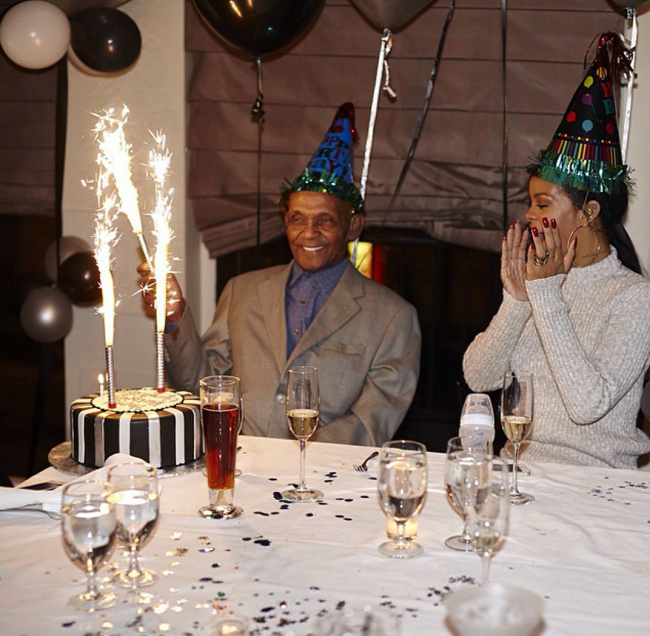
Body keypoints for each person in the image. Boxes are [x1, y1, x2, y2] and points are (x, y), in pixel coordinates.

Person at [140, 103, 421, 446]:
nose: (309, 233)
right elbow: (202, 384)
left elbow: (371, 423)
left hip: (325, 473)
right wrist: (174, 318)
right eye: (297, 219)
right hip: (239, 465)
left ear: (353, 226)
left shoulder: (393, 317)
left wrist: (293, 458)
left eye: (325, 220)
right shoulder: (242, 290)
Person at [463, 33, 650, 468]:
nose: (529, 215)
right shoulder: (541, 280)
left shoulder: (633, 297)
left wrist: (545, 295)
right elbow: (479, 377)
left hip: (593, 482)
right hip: (517, 472)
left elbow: (587, 406)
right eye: (531, 202)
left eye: (543, 204)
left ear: (589, 212)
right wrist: (517, 300)